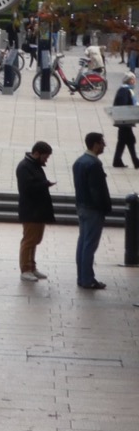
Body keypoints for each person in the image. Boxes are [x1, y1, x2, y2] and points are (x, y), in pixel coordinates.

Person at [72, 131, 112, 290]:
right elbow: (97, 189)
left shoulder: (79, 161)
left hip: (82, 206)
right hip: (93, 209)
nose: (104, 145)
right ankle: (87, 279)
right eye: (102, 142)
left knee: (83, 242)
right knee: (90, 244)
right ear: (95, 144)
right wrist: (104, 207)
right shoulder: (94, 164)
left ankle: (82, 277)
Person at [16, 140, 55, 282]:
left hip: (38, 210)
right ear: (37, 153)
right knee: (29, 240)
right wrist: (45, 184)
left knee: (35, 240)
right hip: (31, 210)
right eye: (45, 156)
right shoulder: (25, 166)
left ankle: (32, 266)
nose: (46, 159)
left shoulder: (34, 165)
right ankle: (25, 268)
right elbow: (28, 188)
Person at [111, 73, 139, 168]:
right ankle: (135, 161)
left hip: (125, 121)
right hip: (124, 120)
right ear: (129, 80)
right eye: (133, 79)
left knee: (122, 141)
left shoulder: (126, 89)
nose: (134, 81)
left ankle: (117, 160)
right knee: (130, 140)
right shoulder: (124, 90)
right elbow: (123, 105)